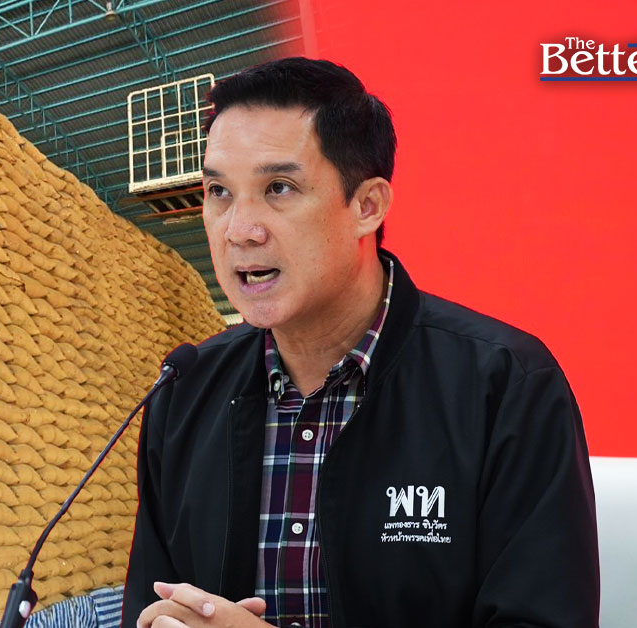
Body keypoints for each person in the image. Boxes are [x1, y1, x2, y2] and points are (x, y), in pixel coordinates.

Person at [122, 57, 600, 628]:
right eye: (219, 191)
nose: (239, 230)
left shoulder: (506, 387)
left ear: (367, 206)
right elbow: (147, 609)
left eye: (279, 188)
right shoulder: (183, 392)